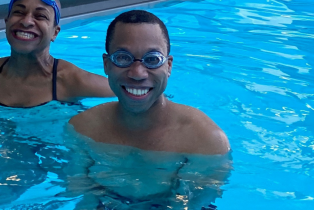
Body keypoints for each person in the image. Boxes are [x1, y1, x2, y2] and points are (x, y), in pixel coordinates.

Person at [69, 9, 230, 155]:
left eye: (152, 59)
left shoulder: (204, 140)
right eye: (123, 58)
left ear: (168, 66)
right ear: (106, 64)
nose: (138, 73)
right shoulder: (83, 128)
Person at [0, 0, 114, 107]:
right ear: (6, 22)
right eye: (19, 12)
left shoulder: (71, 81)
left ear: (55, 32)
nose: (26, 22)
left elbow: (124, 94)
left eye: (41, 16)